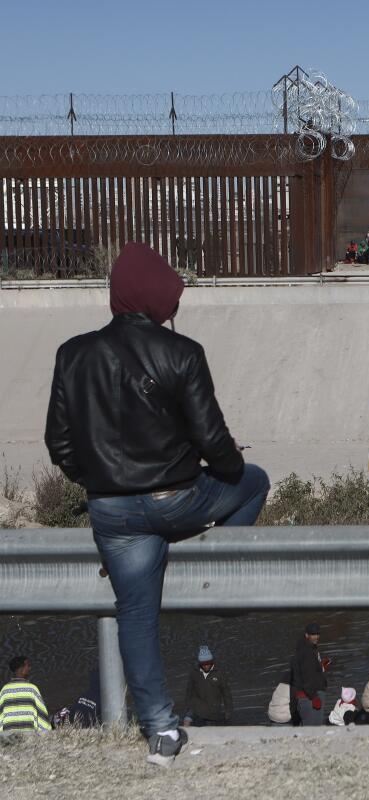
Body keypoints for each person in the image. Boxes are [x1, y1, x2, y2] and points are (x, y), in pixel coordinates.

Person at [44, 242, 269, 766]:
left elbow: (60, 446)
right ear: (159, 296)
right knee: (255, 481)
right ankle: (222, 580)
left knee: (136, 619)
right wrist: (229, 467)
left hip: (112, 513)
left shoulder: (72, 354)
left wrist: (98, 481)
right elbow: (214, 442)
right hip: (177, 500)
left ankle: (162, 732)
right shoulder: (183, 353)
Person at [181, 645, 233, 727]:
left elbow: (226, 693)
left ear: (212, 661)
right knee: (187, 721)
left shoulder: (219, 673)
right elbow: (189, 691)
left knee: (209, 730)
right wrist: (187, 709)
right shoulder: (194, 673)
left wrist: (228, 710)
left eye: (208, 663)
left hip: (212, 710)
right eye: (203, 664)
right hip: (196, 707)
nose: (206, 666)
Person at [0, 656, 51, 733]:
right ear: (21, 669)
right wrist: (46, 731)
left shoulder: (5, 690)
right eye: (28, 665)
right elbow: (41, 714)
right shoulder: (32, 689)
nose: (29, 668)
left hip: (8, 735)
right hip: (29, 735)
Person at [291, 622, 329, 726]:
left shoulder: (308, 648)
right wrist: (314, 697)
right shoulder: (307, 652)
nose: (316, 636)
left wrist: (320, 667)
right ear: (307, 635)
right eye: (313, 634)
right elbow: (306, 677)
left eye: (317, 634)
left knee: (307, 730)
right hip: (310, 698)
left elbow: (309, 670)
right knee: (313, 730)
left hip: (307, 696)